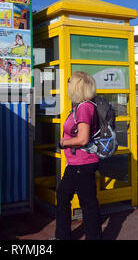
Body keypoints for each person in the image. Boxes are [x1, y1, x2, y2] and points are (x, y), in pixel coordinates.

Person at [53, 71, 102, 240]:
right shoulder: (81, 106)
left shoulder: (84, 108)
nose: (67, 84)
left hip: (83, 163)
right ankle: (62, 235)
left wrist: (63, 144)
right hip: (77, 163)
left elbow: (82, 139)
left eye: (69, 81)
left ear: (77, 86)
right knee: (65, 196)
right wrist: (69, 160)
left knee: (86, 204)